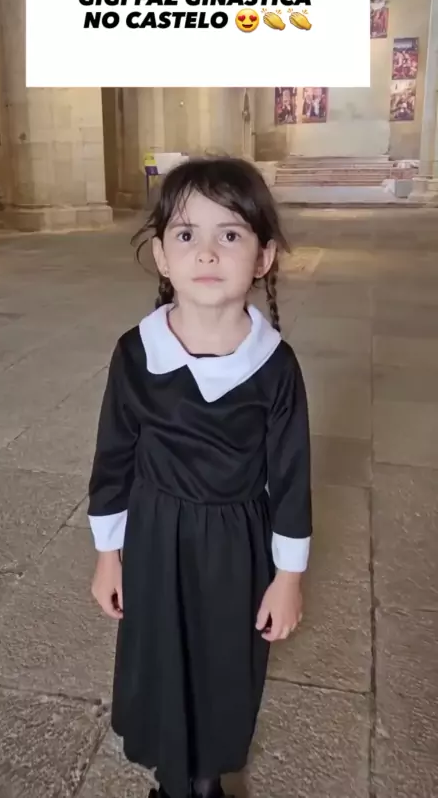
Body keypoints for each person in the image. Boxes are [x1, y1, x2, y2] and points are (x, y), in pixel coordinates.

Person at [87, 156, 313, 798]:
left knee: (224, 666)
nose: (207, 252)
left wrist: (288, 579)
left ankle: (207, 779)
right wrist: (108, 556)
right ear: (162, 256)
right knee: (161, 657)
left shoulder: (275, 367)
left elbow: (291, 479)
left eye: (230, 234)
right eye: (187, 234)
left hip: (236, 546)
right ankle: (171, 780)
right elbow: (113, 460)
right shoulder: (137, 353)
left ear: (263, 257)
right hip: (156, 536)